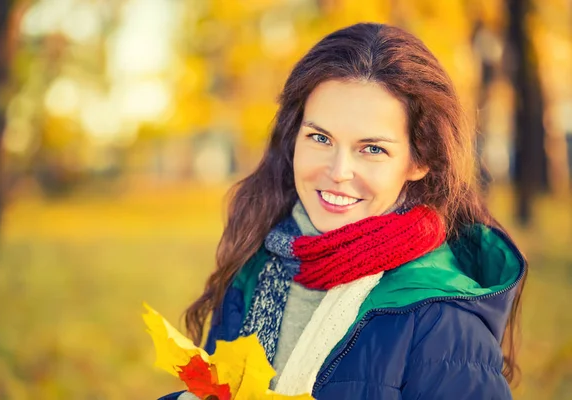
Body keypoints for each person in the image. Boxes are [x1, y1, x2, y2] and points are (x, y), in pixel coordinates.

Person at [161, 22, 526, 400]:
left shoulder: (442, 320)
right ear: (294, 137)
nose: (338, 172)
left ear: (419, 161)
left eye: (372, 149)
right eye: (320, 138)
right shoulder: (254, 270)